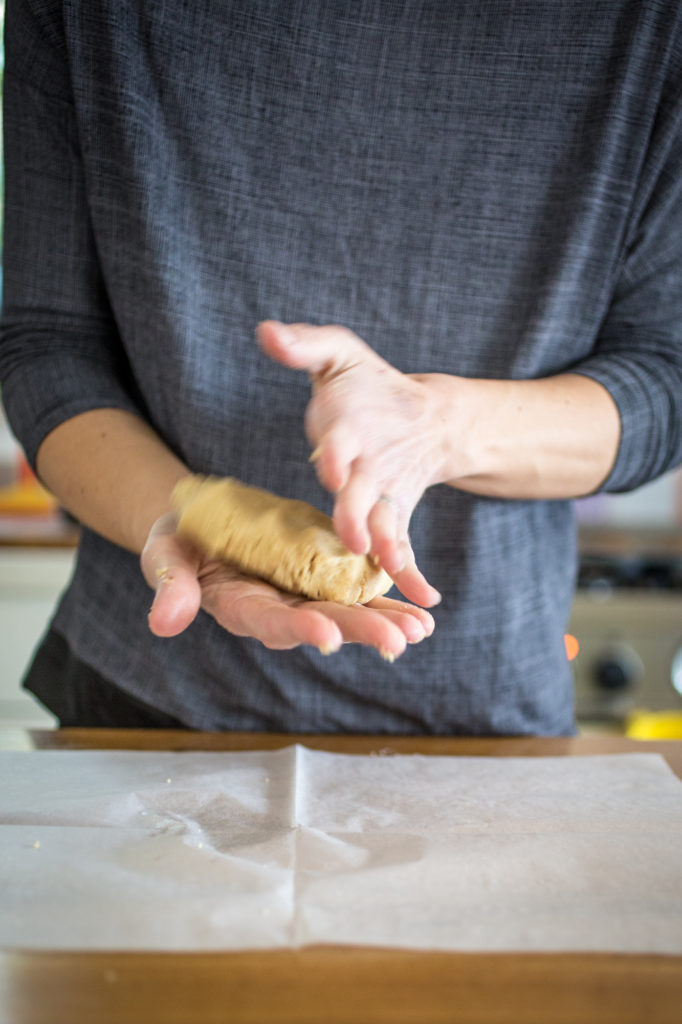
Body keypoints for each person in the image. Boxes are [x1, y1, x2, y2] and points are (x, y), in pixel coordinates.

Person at [2, 0, 681, 735]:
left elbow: (665, 381)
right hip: (146, 700)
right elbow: (47, 341)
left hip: (483, 725)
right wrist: (171, 514)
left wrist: (435, 429)